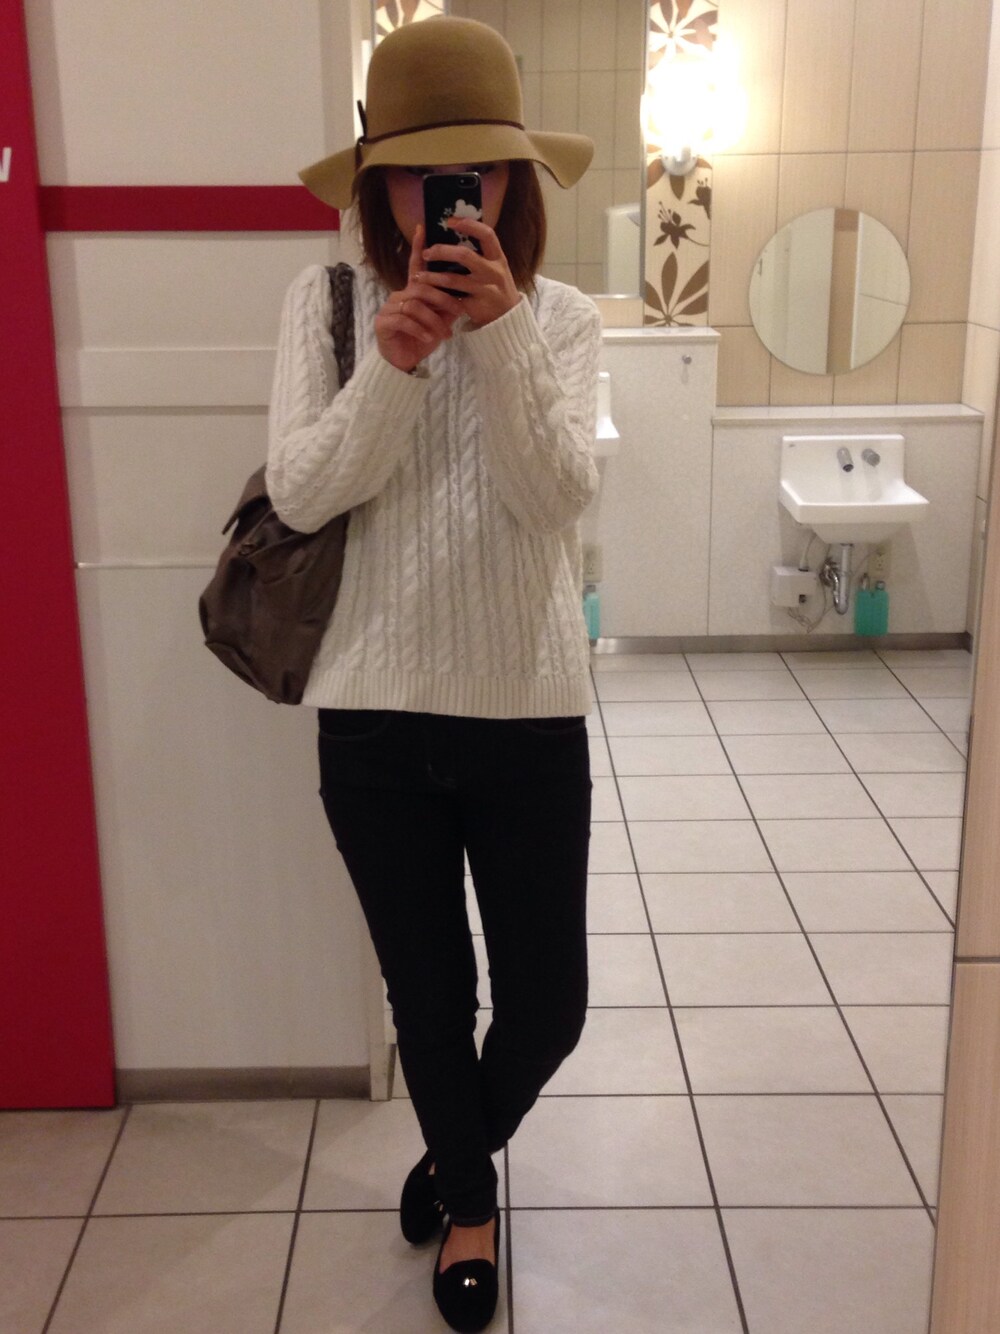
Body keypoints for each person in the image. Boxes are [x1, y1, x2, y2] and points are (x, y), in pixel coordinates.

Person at [267, 16, 600, 1332]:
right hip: (375, 719)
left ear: (514, 180)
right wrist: (396, 365)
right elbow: (303, 493)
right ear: (376, 182)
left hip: (529, 712)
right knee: (429, 994)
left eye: (477, 170)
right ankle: (470, 1200)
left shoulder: (563, 320)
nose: (446, 197)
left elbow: (555, 499)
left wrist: (501, 338)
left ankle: (454, 1149)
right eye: (414, 172)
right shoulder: (327, 308)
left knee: (550, 1006)